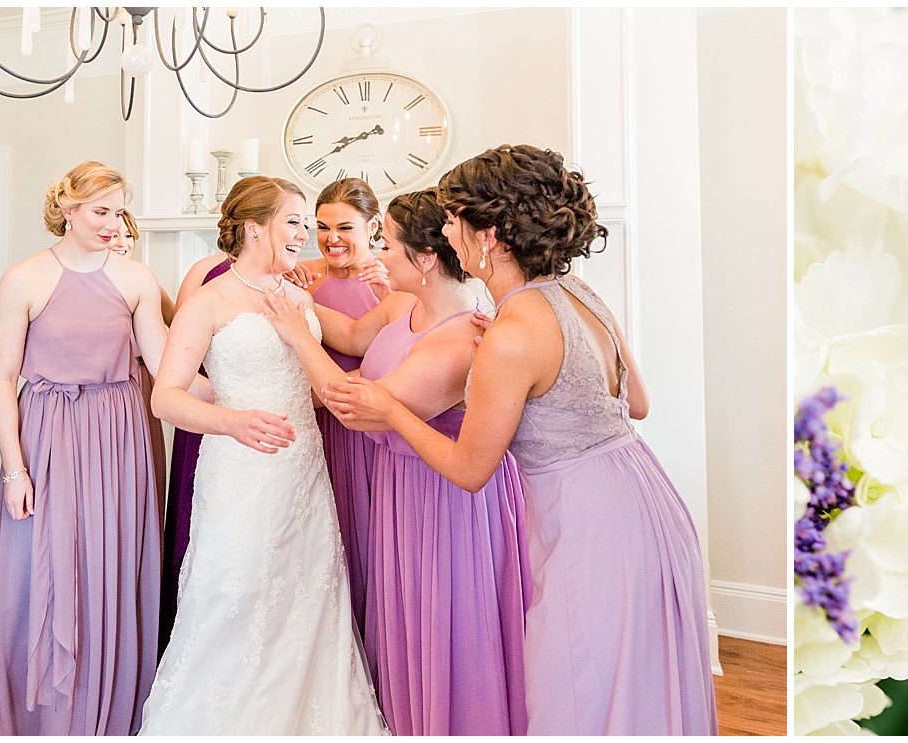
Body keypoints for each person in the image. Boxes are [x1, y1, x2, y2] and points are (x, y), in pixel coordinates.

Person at [323, 144, 719, 735]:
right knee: (632, 690)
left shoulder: (511, 332)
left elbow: (468, 468)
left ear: (489, 236)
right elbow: (635, 403)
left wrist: (390, 408)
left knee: (578, 689)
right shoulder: (578, 293)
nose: (447, 230)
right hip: (646, 495)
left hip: (590, 525)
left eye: (455, 218)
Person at [261, 187, 531, 735]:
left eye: (386, 243)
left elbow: (356, 407)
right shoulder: (408, 312)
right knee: (402, 622)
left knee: (443, 625)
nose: (375, 254)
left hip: (442, 500)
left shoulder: (456, 340)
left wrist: (294, 334)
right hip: (399, 486)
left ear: (426, 259)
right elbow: (364, 364)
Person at [140, 175, 385, 734]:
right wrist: (233, 421)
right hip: (240, 468)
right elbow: (166, 397)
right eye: (295, 222)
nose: (307, 235)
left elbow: (354, 341)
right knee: (236, 589)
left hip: (303, 468)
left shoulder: (299, 297)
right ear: (254, 227)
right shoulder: (209, 300)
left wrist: (406, 289)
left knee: (307, 594)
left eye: (306, 223)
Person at [0, 161, 171, 735]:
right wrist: (13, 470)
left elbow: (166, 369)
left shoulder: (137, 279)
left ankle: (110, 704)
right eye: (100, 211)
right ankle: (43, 714)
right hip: (48, 432)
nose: (112, 223)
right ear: (67, 211)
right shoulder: (23, 278)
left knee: (113, 562)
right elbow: (1, 379)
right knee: (45, 563)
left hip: (121, 434)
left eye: (118, 211)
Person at [293, 177, 387, 635]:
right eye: (322, 226)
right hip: (323, 429)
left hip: (377, 429)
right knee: (333, 541)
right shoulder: (305, 277)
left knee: (377, 541)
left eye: (345, 227)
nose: (332, 238)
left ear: (374, 226)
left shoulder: (394, 279)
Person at [157, 246, 232, 656]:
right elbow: (179, 341)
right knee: (195, 511)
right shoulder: (205, 272)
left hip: (268, 417)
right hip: (207, 403)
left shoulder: (288, 277)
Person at [113, 211, 171, 499]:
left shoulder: (145, 282)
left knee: (139, 474)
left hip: (142, 385)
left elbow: (178, 318)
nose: (123, 243)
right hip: (109, 389)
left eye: (128, 236)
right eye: (115, 235)